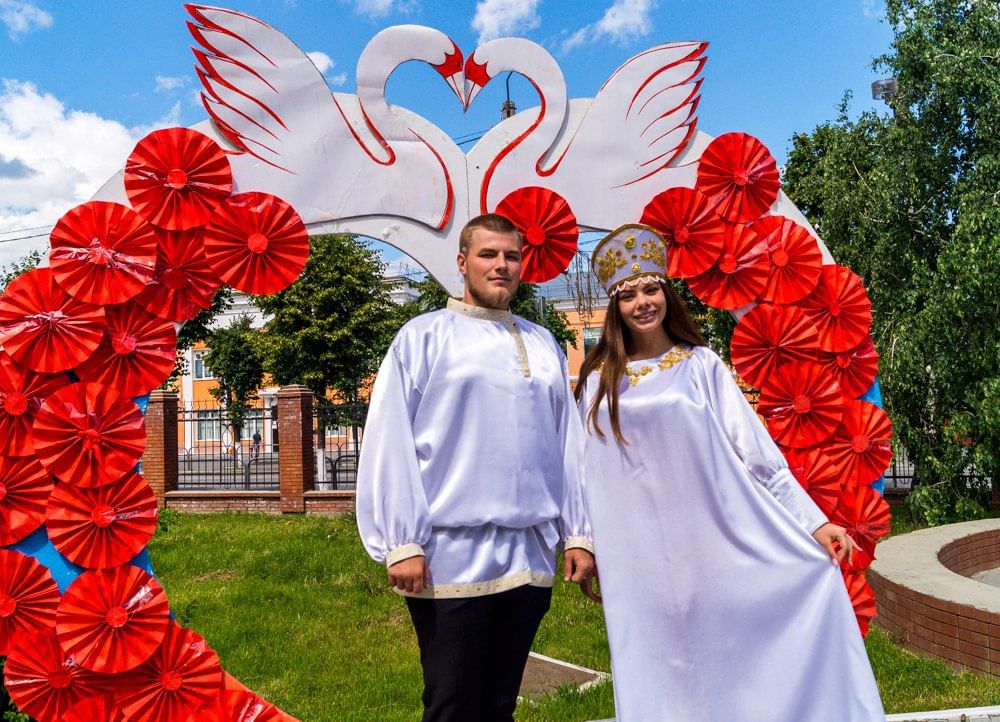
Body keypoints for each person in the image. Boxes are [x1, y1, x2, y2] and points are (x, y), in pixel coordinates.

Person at [575, 224, 884, 721]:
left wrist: (815, 522)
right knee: (658, 660)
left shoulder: (701, 367)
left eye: (651, 288)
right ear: (616, 307)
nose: (642, 303)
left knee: (726, 653)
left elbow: (760, 458)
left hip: (713, 542)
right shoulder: (597, 384)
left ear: (666, 293)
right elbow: (582, 469)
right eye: (628, 295)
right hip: (638, 555)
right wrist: (583, 540)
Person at [356, 213, 596, 722]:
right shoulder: (422, 338)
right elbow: (390, 439)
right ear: (463, 263)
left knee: (499, 701)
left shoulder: (542, 342)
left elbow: (566, 443)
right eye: (489, 255)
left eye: (511, 256)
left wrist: (577, 533)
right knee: (451, 703)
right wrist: (401, 540)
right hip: (449, 555)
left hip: (527, 551)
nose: (502, 265)